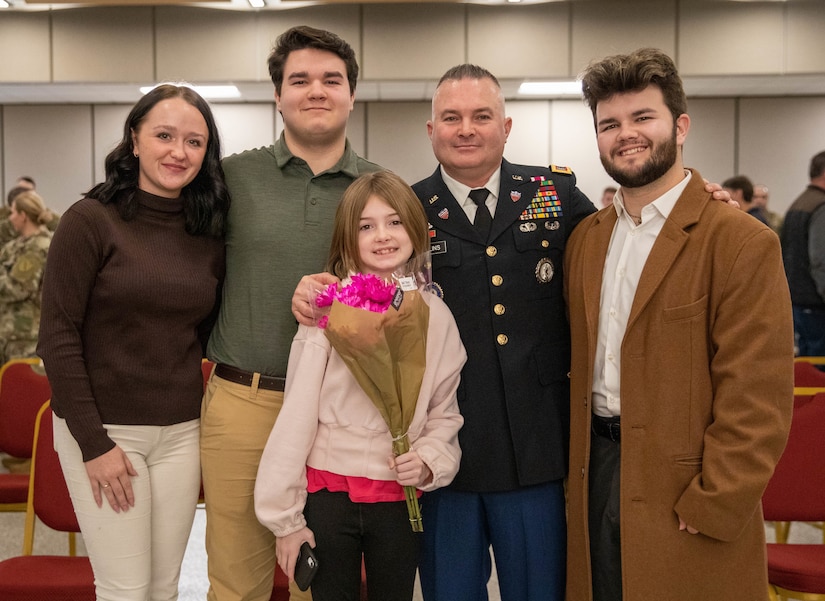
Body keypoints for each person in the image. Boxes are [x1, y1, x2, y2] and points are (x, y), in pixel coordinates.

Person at [565, 47, 794, 601]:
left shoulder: (739, 242)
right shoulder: (585, 239)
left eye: (643, 117)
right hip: (593, 472)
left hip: (685, 487)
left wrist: (716, 498)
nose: (626, 135)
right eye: (609, 124)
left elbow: (758, 395)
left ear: (681, 125)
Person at [201, 25, 382, 601]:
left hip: (337, 411)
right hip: (242, 402)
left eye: (332, 79)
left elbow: (405, 298)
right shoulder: (231, 178)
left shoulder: (380, 189)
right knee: (236, 580)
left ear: (352, 93)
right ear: (277, 95)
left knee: (320, 581)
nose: (316, 91)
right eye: (298, 80)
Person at [409, 63, 595, 601]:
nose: (466, 129)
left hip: (534, 448)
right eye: (452, 117)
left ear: (506, 127)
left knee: (541, 590)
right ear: (432, 131)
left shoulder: (553, 194)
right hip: (446, 451)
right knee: (450, 591)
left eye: (481, 116)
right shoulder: (404, 207)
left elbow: (623, 237)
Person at [37, 83, 229, 601]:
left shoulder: (207, 229)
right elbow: (56, 338)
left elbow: (204, 331)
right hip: (105, 432)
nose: (178, 152)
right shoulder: (89, 221)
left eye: (195, 141)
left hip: (182, 433)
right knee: (124, 590)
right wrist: (93, 444)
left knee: (163, 589)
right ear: (135, 141)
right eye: (164, 135)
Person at [255, 170, 466, 601]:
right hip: (329, 493)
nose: (382, 236)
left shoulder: (436, 316)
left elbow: (445, 411)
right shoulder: (329, 311)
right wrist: (286, 520)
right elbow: (296, 415)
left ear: (415, 229)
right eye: (365, 227)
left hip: (398, 497)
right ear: (347, 240)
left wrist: (427, 460)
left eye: (394, 222)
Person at [0, 189, 53, 365]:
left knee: (22, 390)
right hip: (8, 336)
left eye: (14, 212)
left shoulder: (38, 247)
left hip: (24, 339)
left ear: (23, 216)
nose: (10, 217)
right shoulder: (15, 246)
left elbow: (17, 288)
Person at [780, 150, 825, 357]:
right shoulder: (821, 206)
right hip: (816, 304)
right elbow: (820, 260)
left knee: (805, 370)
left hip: (797, 301)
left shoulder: (798, 203)